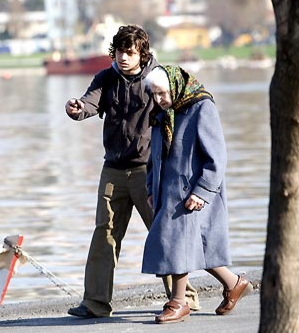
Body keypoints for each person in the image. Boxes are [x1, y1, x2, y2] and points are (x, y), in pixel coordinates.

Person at [64, 25, 199, 318]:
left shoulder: (157, 77)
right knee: (105, 235)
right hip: (112, 169)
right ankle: (95, 303)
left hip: (149, 171)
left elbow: (178, 112)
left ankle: (184, 298)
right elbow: (89, 103)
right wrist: (76, 108)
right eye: (120, 51)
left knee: (163, 233)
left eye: (130, 52)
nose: (123, 57)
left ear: (142, 53)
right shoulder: (106, 77)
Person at [142, 65, 252, 324]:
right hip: (166, 191)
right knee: (193, 246)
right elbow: (153, 156)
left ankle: (179, 302)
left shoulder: (202, 107)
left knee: (175, 244)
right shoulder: (163, 113)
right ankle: (235, 283)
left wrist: (202, 192)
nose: (158, 99)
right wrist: (150, 188)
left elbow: (217, 157)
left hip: (191, 192)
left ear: (175, 87)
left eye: (162, 93)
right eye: (154, 94)